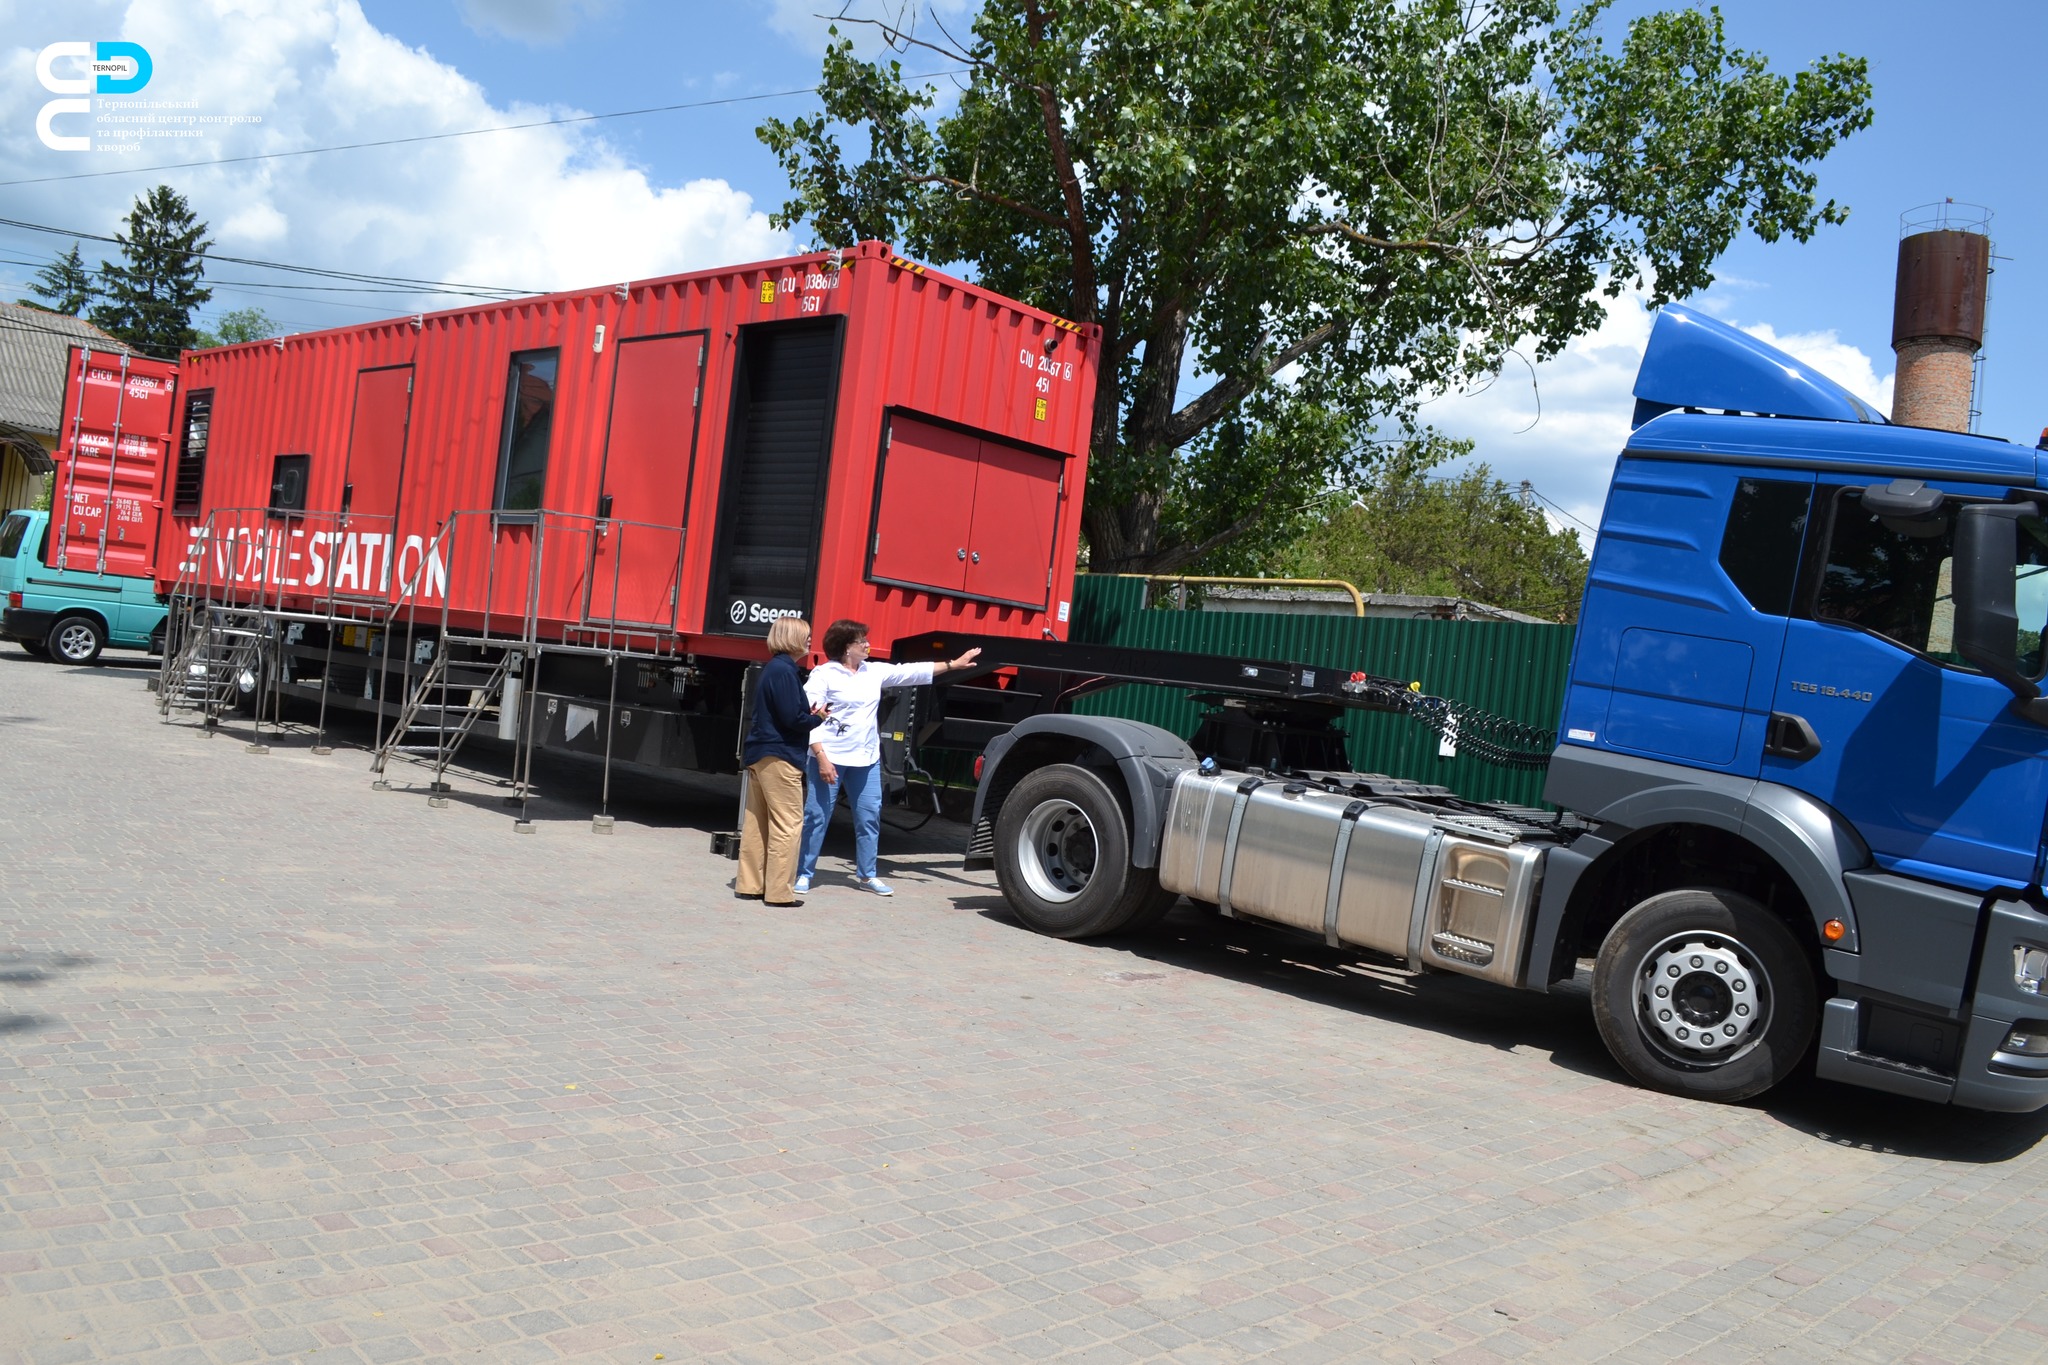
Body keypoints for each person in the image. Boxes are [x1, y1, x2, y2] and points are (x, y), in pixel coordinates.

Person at [798, 620, 980, 895]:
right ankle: (804, 873)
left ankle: (867, 875)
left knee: (869, 816)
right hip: (830, 758)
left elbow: (912, 672)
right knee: (817, 817)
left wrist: (953, 664)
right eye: (862, 641)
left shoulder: (874, 671)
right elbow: (808, 716)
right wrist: (821, 757)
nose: (868, 645)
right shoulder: (824, 674)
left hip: (866, 758)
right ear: (847, 647)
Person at [736, 617, 827, 907]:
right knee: (788, 824)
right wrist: (818, 717)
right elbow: (793, 719)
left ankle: (750, 884)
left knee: (756, 822)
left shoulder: (773, 669)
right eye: (806, 636)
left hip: (760, 753)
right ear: (793, 639)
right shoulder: (786, 671)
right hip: (780, 755)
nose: (810, 641)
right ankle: (778, 893)